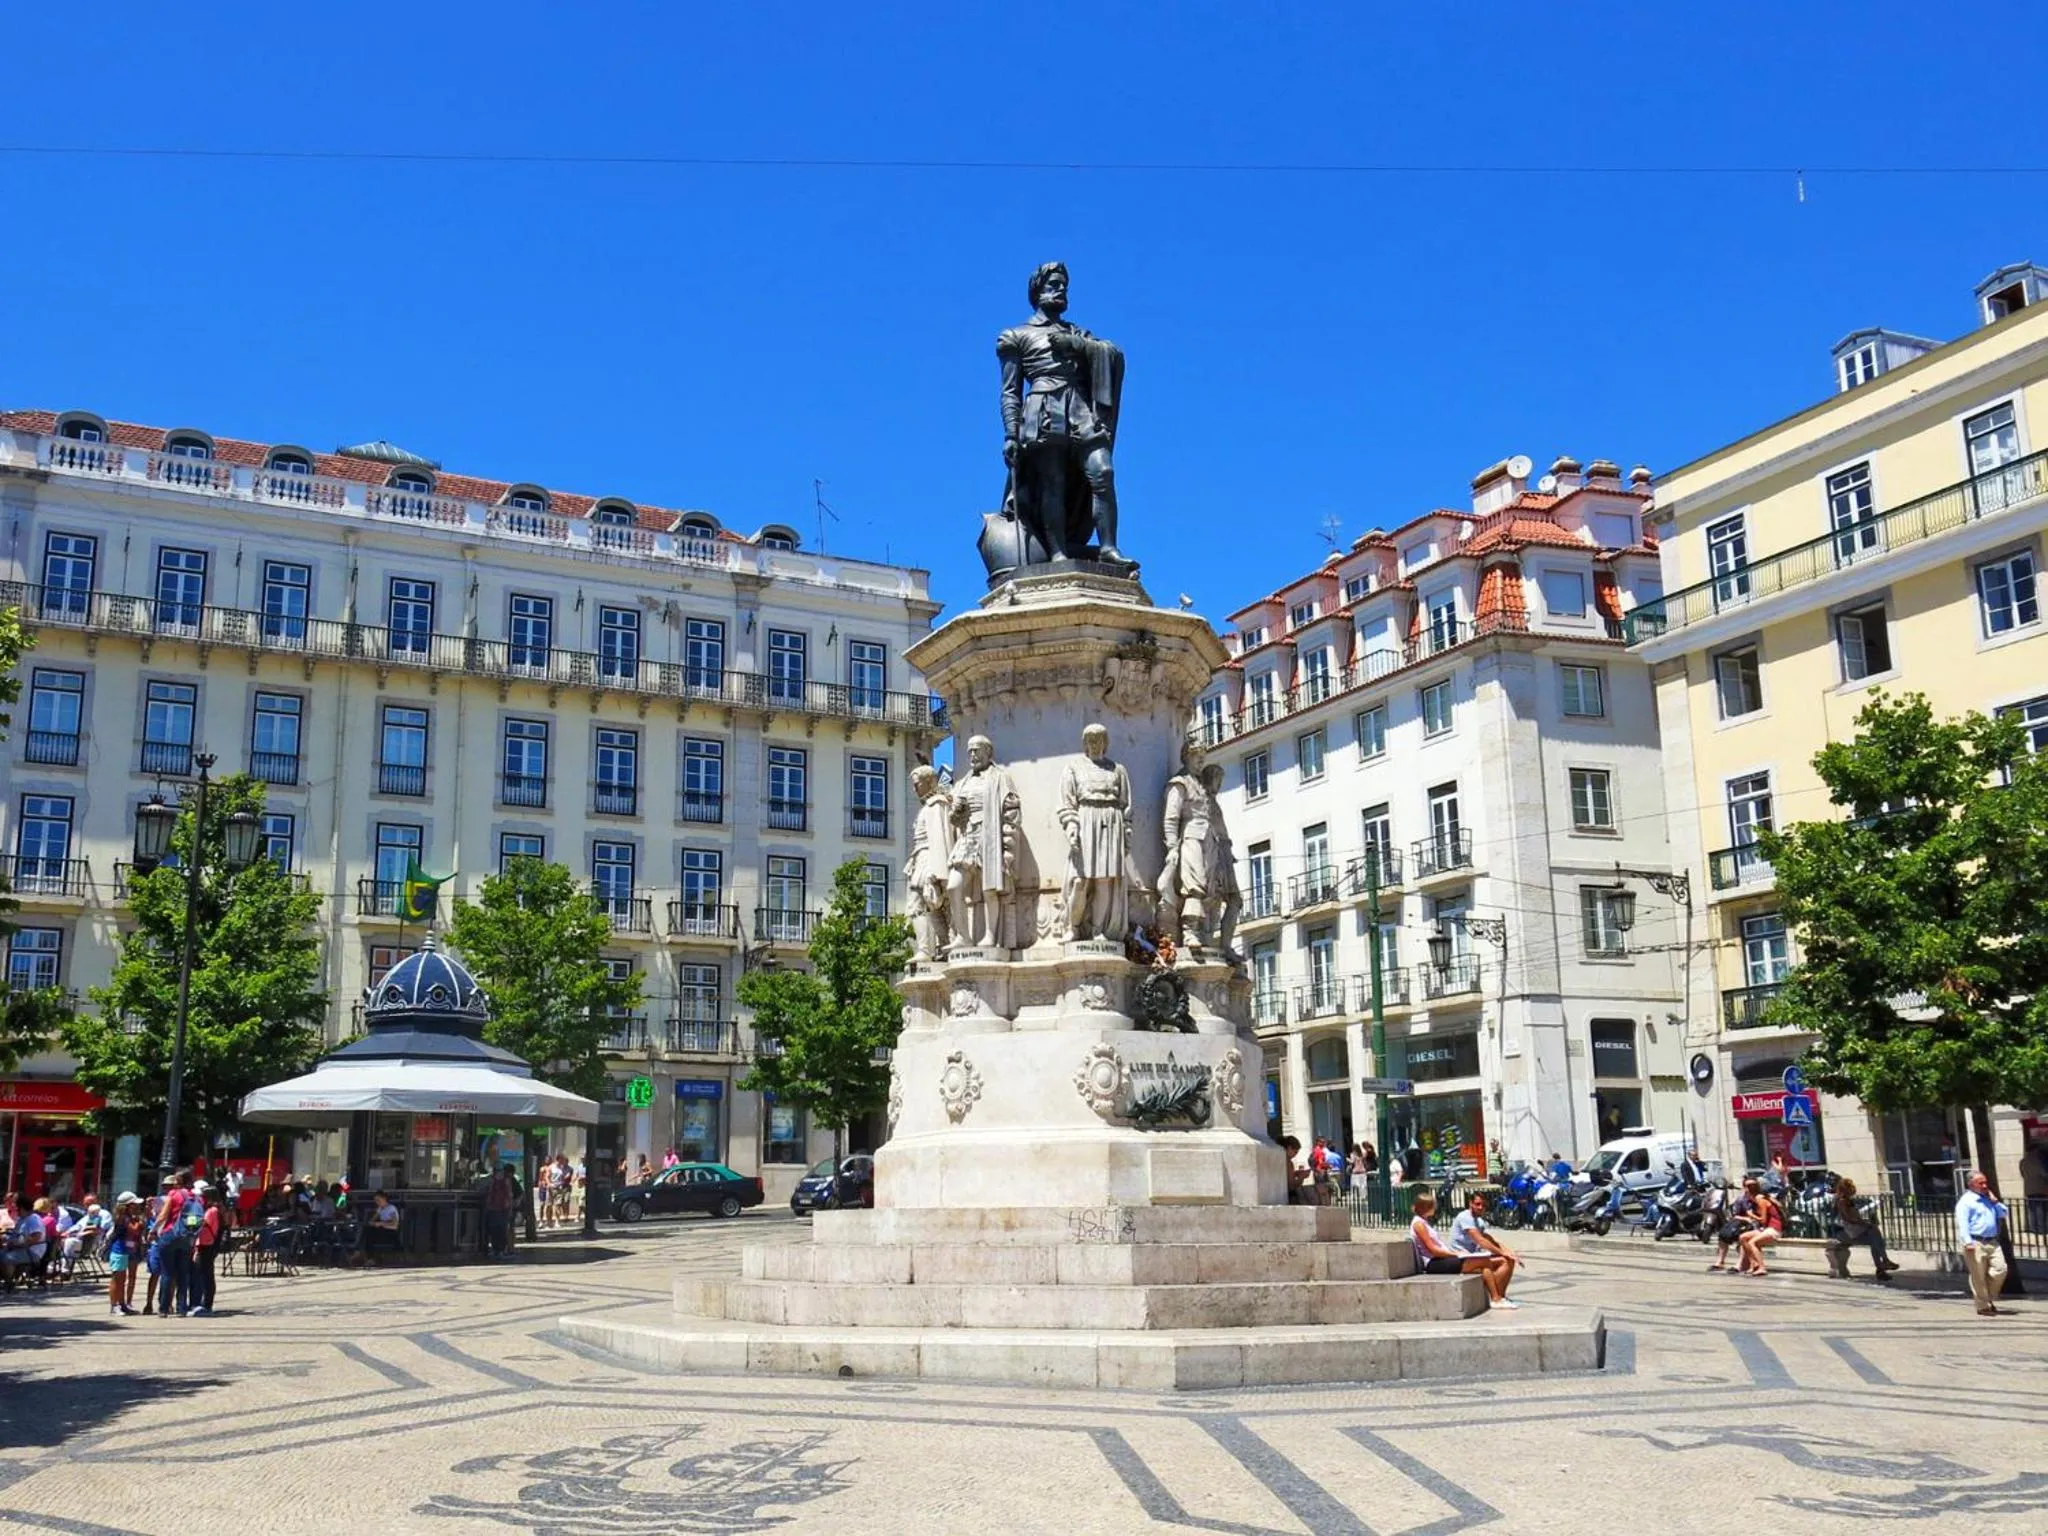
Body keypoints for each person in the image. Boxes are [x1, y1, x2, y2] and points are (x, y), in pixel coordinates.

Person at [1409, 1189, 1517, 1307]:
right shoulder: (1419, 1224)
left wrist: (1506, 1251)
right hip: (1433, 1263)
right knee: (1485, 1261)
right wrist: (1456, 1254)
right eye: (1433, 1206)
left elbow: (1488, 1238)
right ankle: (1496, 1298)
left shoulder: (1423, 1222)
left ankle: (1497, 1298)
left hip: (1441, 1259)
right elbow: (1433, 1250)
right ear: (1426, 1207)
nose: (1435, 1208)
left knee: (1486, 1265)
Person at [1956, 1171, 2011, 1317]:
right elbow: (1963, 1224)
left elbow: (2003, 1213)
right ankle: (1983, 1306)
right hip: (1976, 1242)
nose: (1985, 1185)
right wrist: (1967, 1242)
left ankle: (1987, 1298)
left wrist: (1995, 1201)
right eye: (1980, 1183)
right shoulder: (1966, 1202)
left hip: (1992, 1241)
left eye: (1985, 1182)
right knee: (1978, 1276)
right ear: (1971, 1184)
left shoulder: (1988, 1199)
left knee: (2000, 1270)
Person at [1450, 1192, 1523, 1300]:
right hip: (1461, 1259)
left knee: (1509, 1260)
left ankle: (1501, 1296)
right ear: (1470, 1203)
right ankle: (1496, 1297)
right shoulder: (1465, 1217)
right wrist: (1503, 1253)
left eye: (1483, 1205)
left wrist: (1510, 1253)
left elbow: (1490, 1240)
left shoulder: (1479, 1221)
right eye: (1477, 1204)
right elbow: (1481, 1241)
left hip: (1473, 1257)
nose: (1481, 1207)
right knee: (1503, 1261)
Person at [1825, 1177, 1900, 1280]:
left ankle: (1882, 1267)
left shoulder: (1847, 1200)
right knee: (1874, 1234)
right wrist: (1863, 1223)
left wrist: (1863, 1222)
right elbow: (1847, 1218)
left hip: (1853, 1229)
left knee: (1875, 1238)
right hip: (1847, 1232)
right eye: (1850, 1188)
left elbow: (1854, 1217)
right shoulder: (1842, 1201)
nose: (1853, 1189)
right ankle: (1883, 1264)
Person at [188, 1187, 225, 1316]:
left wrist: (191, 1217)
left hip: (207, 1244)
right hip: (205, 1243)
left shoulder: (212, 1211)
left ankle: (207, 1304)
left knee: (205, 1274)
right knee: (203, 1273)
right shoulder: (212, 1210)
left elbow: (201, 1223)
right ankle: (204, 1302)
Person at [1710, 1180, 1760, 1271]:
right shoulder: (1741, 1199)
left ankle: (1740, 1264)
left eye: (1752, 1186)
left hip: (1757, 1224)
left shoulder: (1760, 1198)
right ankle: (1720, 1262)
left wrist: (1752, 1218)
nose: (1749, 1188)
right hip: (1743, 1222)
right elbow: (1736, 1215)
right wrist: (1746, 1219)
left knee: (1743, 1236)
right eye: (1747, 1186)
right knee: (1723, 1233)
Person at [107, 1194, 142, 1315]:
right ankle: (114, 1305)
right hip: (119, 1250)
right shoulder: (123, 1218)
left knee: (122, 1279)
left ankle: (122, 1304)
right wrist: (140, 1222)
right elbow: (134, 1229)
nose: (136, 1206)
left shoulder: (127, 1217)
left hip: (124, 1250)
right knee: (117, 1279)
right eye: (133, 1204)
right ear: (128, 1205)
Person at [1738, 1183, 1784, 1276]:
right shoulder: (1758, 1200)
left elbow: (1763, 1220)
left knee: (1752, 1242)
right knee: (1743, 1237)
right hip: (1766, 1228)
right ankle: (1754, 1264)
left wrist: (1752, 1215)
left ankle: (1762, 1267)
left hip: (1774, 1229)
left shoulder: (1762, 1201)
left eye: (1746, 1192)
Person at [483, 1166, 514, 1258]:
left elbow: (508, 1195)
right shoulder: (499, 1181)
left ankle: (499, 1249)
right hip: (499, 1208)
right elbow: (509, 1195)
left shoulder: (497, 1181)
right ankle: (498, 1250)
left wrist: (509, 1208)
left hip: (500, 1208)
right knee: (498, 1229)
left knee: (498, 1229)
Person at [366, 1190, 403, 1262]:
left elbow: (394, 1223)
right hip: (382, 1230)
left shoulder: (391, 1208)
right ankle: (368, 1256)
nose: (377, 1202)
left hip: (390, 1231)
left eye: (378, 1200)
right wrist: (372, 1222)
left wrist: (380, 1223)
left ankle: (369, 1257)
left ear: (384, 1198)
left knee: (369, 1233)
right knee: (367, 1231)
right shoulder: (380, 1209)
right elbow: (373, 1219)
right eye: (376, 1200)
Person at [1279, 1136, 1313, 1205]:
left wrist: (1296, 1173)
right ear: (1289, 1148)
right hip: (1289, 1196)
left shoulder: (1280, 1159)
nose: (1295, 1155)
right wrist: (1302, 1177)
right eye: (1295, 1152)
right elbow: (1291, 1186)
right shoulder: (1288, 1162)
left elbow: (1285, 1176)